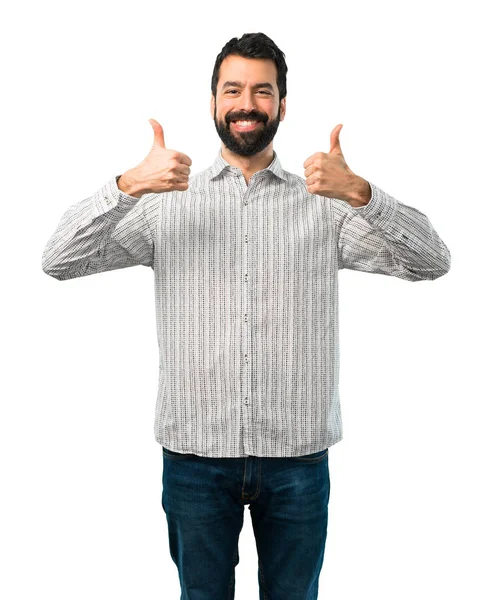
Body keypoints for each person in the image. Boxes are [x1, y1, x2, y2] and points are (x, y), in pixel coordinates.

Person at [42, 31, 451, 600]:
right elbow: (58, 260)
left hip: (298, 458)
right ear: (213, 101)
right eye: (233, 89)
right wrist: (127, 186)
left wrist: (361, 191)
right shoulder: (164, 200)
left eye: (263, 91)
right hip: (194, 458)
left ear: (282, 105)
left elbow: (433, 261)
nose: (247, 104)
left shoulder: (326, 202)